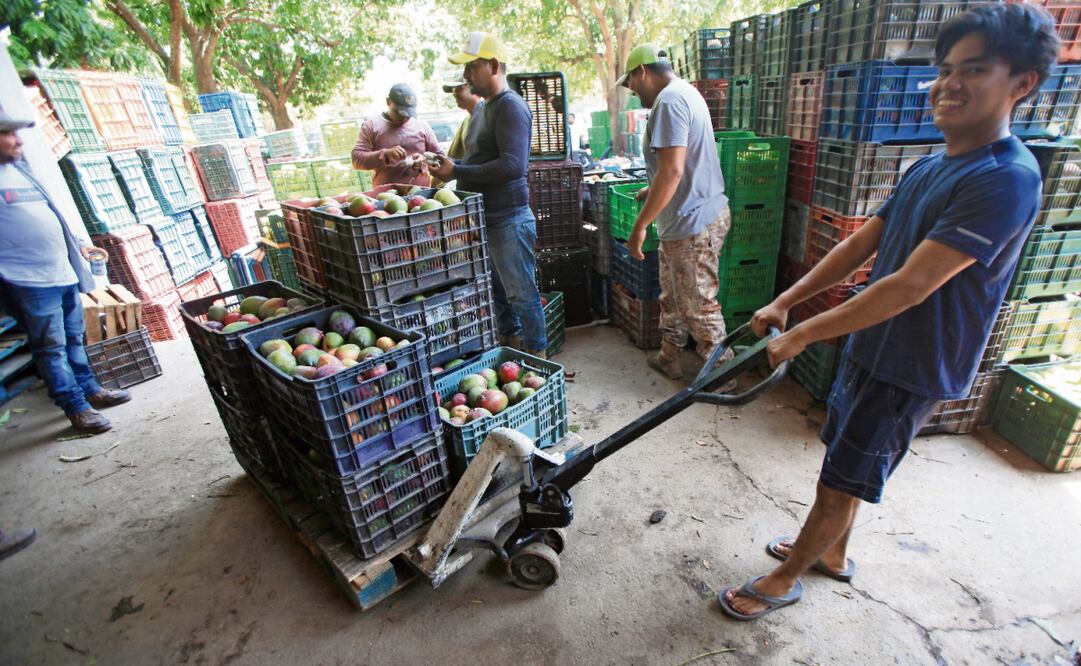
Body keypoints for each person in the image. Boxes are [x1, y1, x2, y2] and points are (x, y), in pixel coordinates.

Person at [719, 3, 1057, 621]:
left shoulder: (1008, 178)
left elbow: (911, 285)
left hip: (914, 361)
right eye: (946, 68)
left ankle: (788, 577)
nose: (948, 84)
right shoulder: (933, 163)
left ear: (1023, 83)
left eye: (974, 69)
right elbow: (861, 244)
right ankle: (833, 553)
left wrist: (805, 336)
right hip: (873, 343)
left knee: (845, 473)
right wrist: (785, 302)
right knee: (842, 454)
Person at [0, 109, 131, 434]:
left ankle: (90, 390)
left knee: (74, 339)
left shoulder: (19, 171)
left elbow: (49, 213)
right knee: (51, 348)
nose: (18, 139)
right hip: (28, 281)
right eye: (9, 134)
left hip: (62, 272)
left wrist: (76, 244)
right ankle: (75, 407)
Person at [430, 32, 547, 358]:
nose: (466, 76)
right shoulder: (486, 110)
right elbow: (481, 161)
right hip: (489, 220)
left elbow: (512, 166)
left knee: (522, 295)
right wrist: (451, 166)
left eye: (472, 67)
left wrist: (457, 171)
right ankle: (512, 347)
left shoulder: (511, 107)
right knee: (499, 294)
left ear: (493, 66)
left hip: (509, 220)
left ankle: (539, 359)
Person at [619, 44, 730, 381]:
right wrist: (650, 190)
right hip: (684, 220)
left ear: (642, 72)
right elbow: (679, 166)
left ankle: (723, 376)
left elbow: (672, 171)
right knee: (674, 295)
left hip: (693, 223)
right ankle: (669, 356)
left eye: (631, 83)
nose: (632, 91)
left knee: (699, 304)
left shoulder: (669, 101)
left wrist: (640, 227)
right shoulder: (685, 93)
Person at [351, 83, 446, 187]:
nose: (405, 118)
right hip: (387, 197)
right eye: (400, 113)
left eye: (409, 114)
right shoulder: (372, 125)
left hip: (422, 195)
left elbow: (441, 160)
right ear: (388, 102)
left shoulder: (422, 126)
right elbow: (357, 160)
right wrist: (385, 155)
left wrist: (424, 161)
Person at [443, 78, 483, 160]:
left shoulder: (487, 116)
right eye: (453, 90)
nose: (454, 94)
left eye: (458, 88)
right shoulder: (466, 121)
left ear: (472, 87)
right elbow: (455, 157)